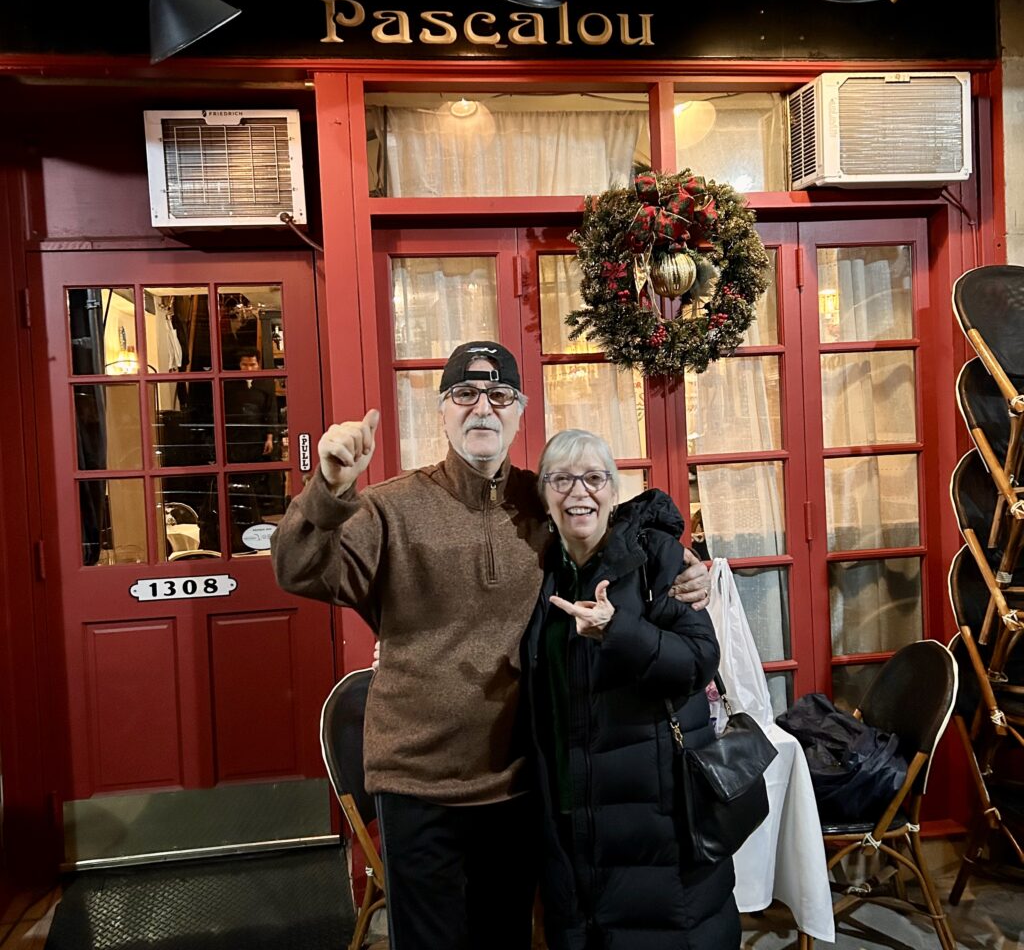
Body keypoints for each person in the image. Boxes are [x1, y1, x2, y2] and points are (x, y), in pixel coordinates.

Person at [270, 341, 710, 950]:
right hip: (417, 780)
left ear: (519, 412)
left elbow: (618, 523)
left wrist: (684, 564)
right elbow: (299, 569)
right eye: (466, 395)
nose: (484, 408)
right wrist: (328, 485)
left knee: (506, 937)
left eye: (500, 396)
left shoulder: (541, 501)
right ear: (443, 411)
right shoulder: (388, 508)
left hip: (516, 780)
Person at [522, 428, 740, 950]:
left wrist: (619, 631)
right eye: (562, 479)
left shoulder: (655, 558)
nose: (579, 491)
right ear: (544, 495)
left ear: (613, 490)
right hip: (570, 814)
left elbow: (698, 661)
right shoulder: (538, 571)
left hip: (656, 814)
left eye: (594, 478)